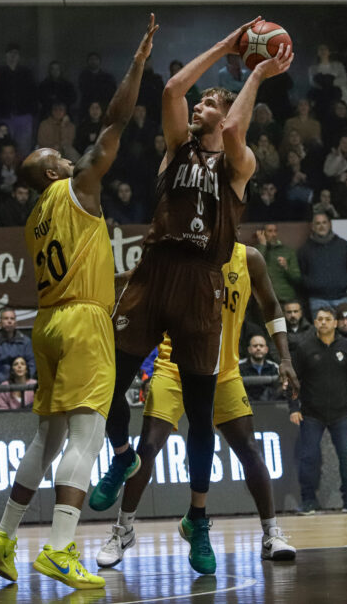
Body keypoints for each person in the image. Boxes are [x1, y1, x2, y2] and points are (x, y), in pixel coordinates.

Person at [93, 17, 292, 575]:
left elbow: (233, 131)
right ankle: (122, 460)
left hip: (201, 283)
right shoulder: (176, 149)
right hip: (155, 271)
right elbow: (171, 89)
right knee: (112, 385)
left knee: (203, 419)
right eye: (203, 101)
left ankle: (198, 519)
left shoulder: (237, 164)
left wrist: (253, 75)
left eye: (212, 101)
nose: (202, 103)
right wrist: (228, 47)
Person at [0, 15, 157, 591]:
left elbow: (82, 262)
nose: (64, 152)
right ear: (57, 169)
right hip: (83, 323)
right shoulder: (78, 185)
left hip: (49, 321)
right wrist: (136, 66)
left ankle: (4, 534)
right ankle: (60, 548)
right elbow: (116, 120)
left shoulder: (35, 216)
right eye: (56, 152)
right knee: (84, 438)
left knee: (46, 439)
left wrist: (120, 272)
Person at [95, 243, 298, 570]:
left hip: (224, 371)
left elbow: (272, 305)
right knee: (148, 447)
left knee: (248, 447)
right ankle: (123, 530)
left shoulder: (250, 259)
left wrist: (284, 358)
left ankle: (271, 533)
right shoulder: (183, 253)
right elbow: (139, 278)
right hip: (172, 367)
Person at [289, 306, 347, 515]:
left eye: (327, 319)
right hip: (311, 413)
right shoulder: (305, 347)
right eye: (319, 319)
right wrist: (294, 407)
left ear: (335, 323)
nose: (323, 322)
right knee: (309, 457)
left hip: (341, 413)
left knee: (346, 456)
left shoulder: (346, 346)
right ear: (315, 323)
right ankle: (308, 501)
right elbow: (293, 380)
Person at [297, 213, 347, 316]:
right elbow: (300, 272)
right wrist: (312, 285)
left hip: (341, 298)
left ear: (330, 224)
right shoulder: (305, 249)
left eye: (324, 222)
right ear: (312, 226)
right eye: (318, 223)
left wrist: (346, 282)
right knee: (321, 332)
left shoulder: (342, 244)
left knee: (346, 331)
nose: (321, 226)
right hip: (317, 300)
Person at [0, 308, 36, 383]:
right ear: (0, 323)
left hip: (23, 382)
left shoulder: (26, 342)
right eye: (6, 318)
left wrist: (22, 379)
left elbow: (32, 366)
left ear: (16, 323)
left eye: (12, 319)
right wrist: (7, 383)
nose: (9, 321)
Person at [255, 223, 302, 305]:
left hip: (286, 298)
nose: (273, 234)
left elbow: (297, 278)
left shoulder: (287, 251)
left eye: (275, 231)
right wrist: (262, 244)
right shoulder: (257, 251)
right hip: (266, 300)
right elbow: (255, 267)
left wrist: (286, 267)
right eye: (270, 231)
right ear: (263, 233)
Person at [239, 333, 283, 402]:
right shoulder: (239, 368)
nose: (258, 348)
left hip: (270, 407)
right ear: (249, 349)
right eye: (255, 346)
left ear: (266, 349)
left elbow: (278, 391)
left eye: (261, 346)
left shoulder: (274, 367)